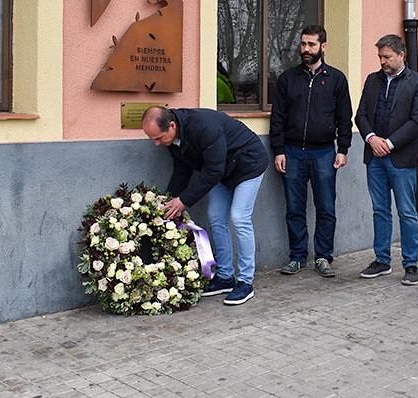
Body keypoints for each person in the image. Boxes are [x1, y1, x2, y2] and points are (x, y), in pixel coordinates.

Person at [142, 106, 268, 305]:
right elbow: (182, 169)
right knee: (216, 217)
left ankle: (245, 282)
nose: (156, 144)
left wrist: (183, 201)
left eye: (158, 138)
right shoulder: (172, 138)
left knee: (239, 218)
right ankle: (225, 277)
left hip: (248, 165)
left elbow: (213, 171)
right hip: (221, 171)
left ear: (172, 126)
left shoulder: (203, 126)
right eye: (152, 139)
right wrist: (169, 198)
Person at [270, 24, 353, 278]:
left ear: (323, 47)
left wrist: (343, 149)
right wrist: (278, 149)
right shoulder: (287, 79)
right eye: (303, 44)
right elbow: (278, 118)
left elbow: (344, 117)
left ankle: (323, 256)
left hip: (324, 153)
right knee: (294, 208)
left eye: (311, 45)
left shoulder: (336, 79)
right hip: (293, 153)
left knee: (326, 207)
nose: (305, 49)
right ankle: (297, 257)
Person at [355, 34, 418, 285]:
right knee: (380, 210)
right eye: (379, 57)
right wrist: (372, 138)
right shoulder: (372, 80)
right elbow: (361, 114)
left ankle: (411, 264)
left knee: (407, 211)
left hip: (401, 157)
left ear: (401, 55)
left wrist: (389, 143)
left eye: (387, 56)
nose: (382, 61)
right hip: (374, 155)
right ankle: (382, 260)